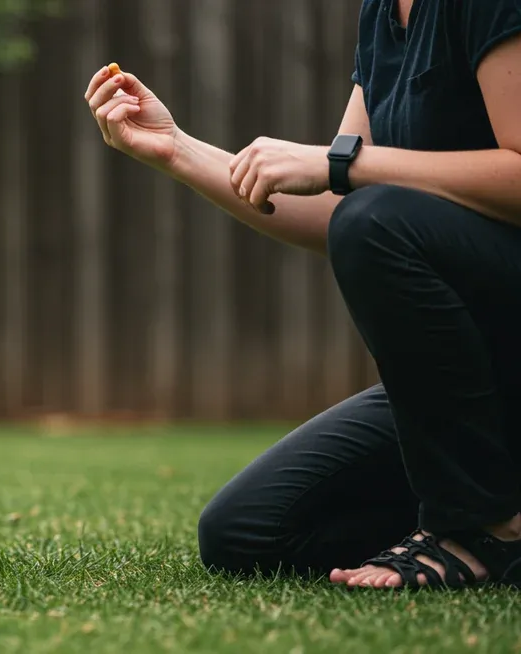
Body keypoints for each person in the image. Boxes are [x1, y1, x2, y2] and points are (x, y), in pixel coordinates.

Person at [84, 0, 521, 590]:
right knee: (250, 532)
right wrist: (177, 148)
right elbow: (343, 211)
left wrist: (346, 163)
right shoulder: (383, 14)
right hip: (468, 380)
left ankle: (482, 528)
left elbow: (366, 192)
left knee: (378, 217)